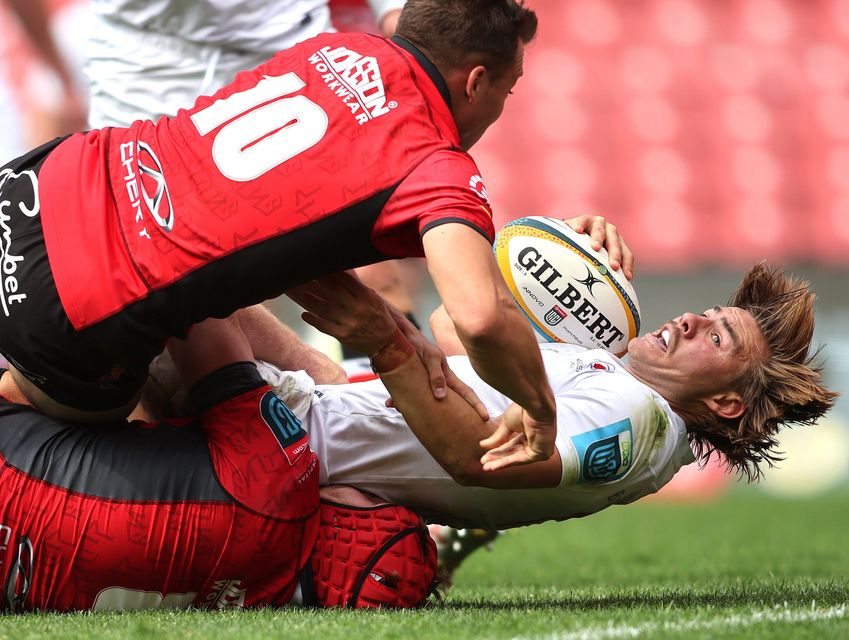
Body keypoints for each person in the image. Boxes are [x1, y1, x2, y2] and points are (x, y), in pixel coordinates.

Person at [0, 0, 570, 471]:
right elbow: (480, 316)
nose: (502, 105)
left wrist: (388, 329)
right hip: (74, 303)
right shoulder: (436, 165)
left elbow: (277, 216)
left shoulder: (333, 50)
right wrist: (539, 406)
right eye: (508, 90)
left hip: (41, 180)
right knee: (118, 420)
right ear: (475, 82)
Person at [0, 314, 437, 612]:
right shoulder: (250, 596)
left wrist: (321, 370)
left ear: (351, 517)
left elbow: (194, 306)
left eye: (376, 500)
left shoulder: (281, 485)